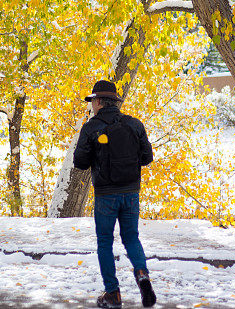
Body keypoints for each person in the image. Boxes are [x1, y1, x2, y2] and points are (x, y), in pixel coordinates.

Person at [74, 79, 157, 309]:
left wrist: (97, 153)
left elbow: (79, 162)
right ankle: (142, 274)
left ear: (99, 101)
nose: (92, 106)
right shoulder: (134, 124)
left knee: (105, 242)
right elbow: (147, 158)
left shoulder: (92, 127)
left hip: (105, 195)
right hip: (131, 192)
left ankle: (112, 293)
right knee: (131, 237)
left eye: (92, 102)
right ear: (115, 102)